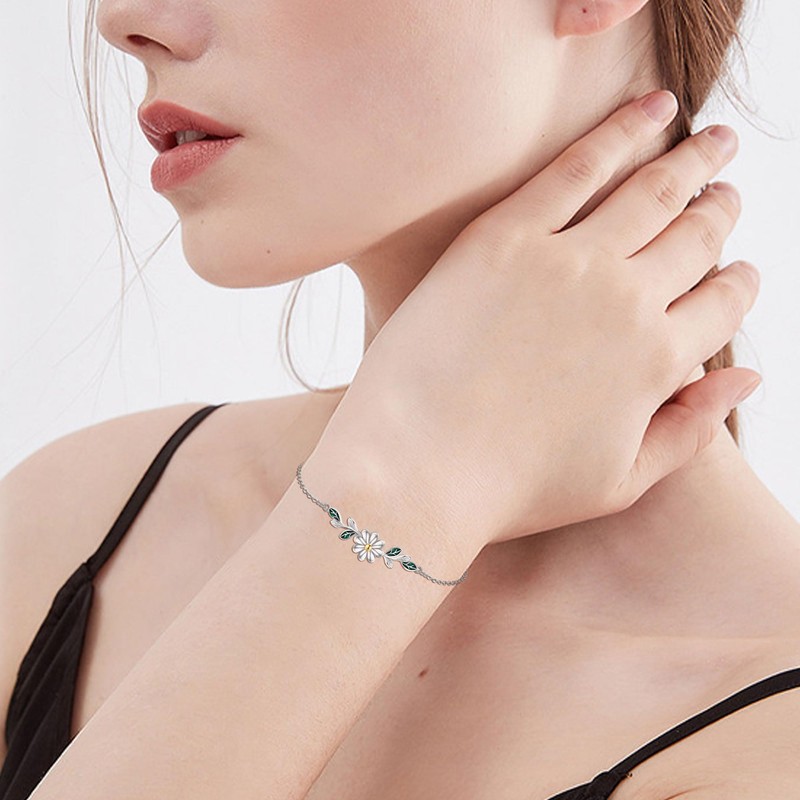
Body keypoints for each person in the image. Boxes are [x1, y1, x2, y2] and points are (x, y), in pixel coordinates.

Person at [1, 1, 797, 799]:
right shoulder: (69, 522)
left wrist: (410, 488)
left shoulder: (771, 748)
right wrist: (407, 488)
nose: (125, 18)